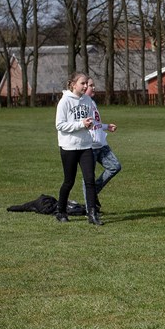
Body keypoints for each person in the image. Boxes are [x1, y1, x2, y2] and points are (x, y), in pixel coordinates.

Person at [55, 71, 102, 225]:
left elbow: (91, 121)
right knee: (69, 181)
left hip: (85, 146)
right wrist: (80, 124)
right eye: (82, 83)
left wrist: (106, 126)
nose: (85, 86)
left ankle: (92, 214)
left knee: (90, 180)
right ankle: (60, 211)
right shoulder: (65, 102)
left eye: (86, 84)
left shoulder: (87, 100)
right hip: (69, 147)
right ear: (73, 84)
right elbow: (60, 125)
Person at [81, 78, 121, 211]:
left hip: (101, 144)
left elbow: (95, 123)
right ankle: (90, 209)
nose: (94, 88)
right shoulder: (81, 104)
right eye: (91, 86)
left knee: (115, 166)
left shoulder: (92, 102)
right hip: (90, 146)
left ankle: (92, 193)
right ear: (84, 87)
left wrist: (106, 126)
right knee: (88, 178)